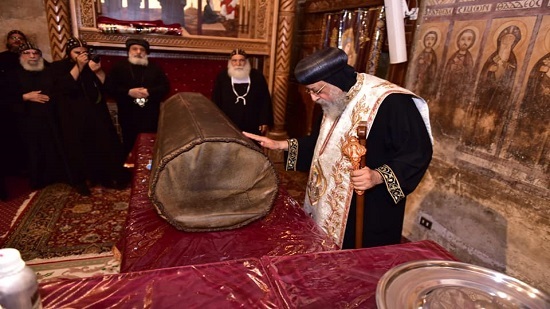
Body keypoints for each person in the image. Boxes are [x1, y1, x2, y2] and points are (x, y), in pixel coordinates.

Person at [243, 47, 433, 249]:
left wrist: (377, 176)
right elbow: (321, 144)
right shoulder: (334, 98)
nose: (314, 98)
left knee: (361, 265)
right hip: (326, 202)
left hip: (368, 207)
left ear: (336, 80)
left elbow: (417, 152)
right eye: (309, 91)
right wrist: (280, 144)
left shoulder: (390, 101)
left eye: (316, 90)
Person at [50, 37, 129, 196]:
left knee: (104, 144)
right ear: (69, 53)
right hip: (75, 117)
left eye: (84, 52)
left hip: (97, 114)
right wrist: (79, 66)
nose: (82, 55)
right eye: (77, 52)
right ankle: (87, 181)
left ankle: (109, 179)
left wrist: (98, 71)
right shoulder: (59, 67)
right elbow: (64, 87)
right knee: (82, 149)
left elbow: (108, 88)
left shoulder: (90, 66)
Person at [4, 42, 68, 189]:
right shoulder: (12, 75)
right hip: (26, 118)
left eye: (35, 53)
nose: (32, 56)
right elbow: (5, 96)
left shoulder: (49, 71)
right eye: (28, 53)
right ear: (21, 56)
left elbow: (59, 89)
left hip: (50, 116)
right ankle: (38, 180)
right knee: (34, 149)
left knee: (53, 145)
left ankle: (57, 176)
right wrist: (25, 97)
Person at [105, 38, 170, 158]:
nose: (138, 52)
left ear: (146, 52)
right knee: (129, 142)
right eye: (135, 49)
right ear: (129, 51)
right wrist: (129, 92)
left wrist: (149, 92)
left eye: (142, 49)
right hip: (128, 113)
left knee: (149, 143)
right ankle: (128, 171)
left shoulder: (155, 68)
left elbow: (165, 88)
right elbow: (109, 88)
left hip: (150, 114)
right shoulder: (119, 67)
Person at [212, 48, 273, 135]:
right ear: (230, 62)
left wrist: (264, 120)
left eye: (241, 60)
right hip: (228, 122)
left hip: (252, 121)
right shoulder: (222, 76)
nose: (238, 64)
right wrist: (217, 121)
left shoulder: (257, 76)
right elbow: (216, 100)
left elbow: (264, 100)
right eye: (234, 60)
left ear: (246, 61)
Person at [0, 30, 28, 199]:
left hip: (28, 109)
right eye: (14, 38)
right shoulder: (2, 59)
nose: (17, 41)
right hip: (7, 107)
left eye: (20, 38)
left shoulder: (30, 57)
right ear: (8, 42)